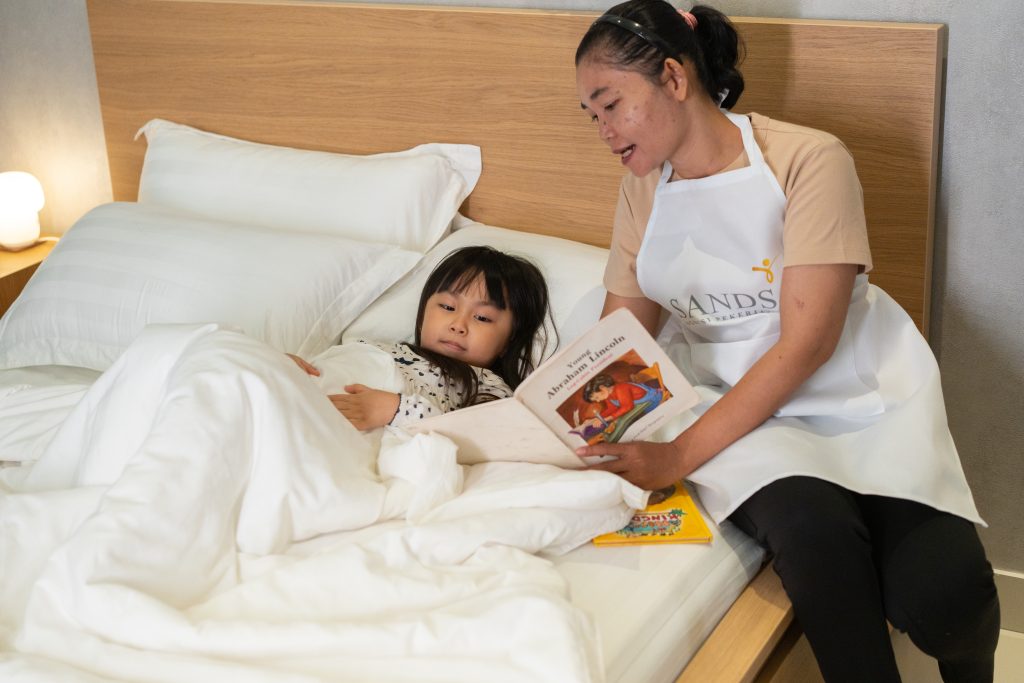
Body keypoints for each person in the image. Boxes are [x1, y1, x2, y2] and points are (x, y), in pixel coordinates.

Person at [572, 2, 1000, 681]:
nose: (602, 131)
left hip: (854, 395)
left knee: (948, 600)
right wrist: (552, 421)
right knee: (815, 538)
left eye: (611, 105)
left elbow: (808, 346)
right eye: (590, 115)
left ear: (675, 79)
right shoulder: (642, 191)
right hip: (738, 412)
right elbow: (617, 340)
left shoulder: (807, 158)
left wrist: (676, 455)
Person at [289, 245, 551, 430]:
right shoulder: (375, 347)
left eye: (482, 318)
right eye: (447, 307)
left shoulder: (487, 385)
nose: (458, 325)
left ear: (509, 341)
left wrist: (395, 410)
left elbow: (481, 439)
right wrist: (289, 368)